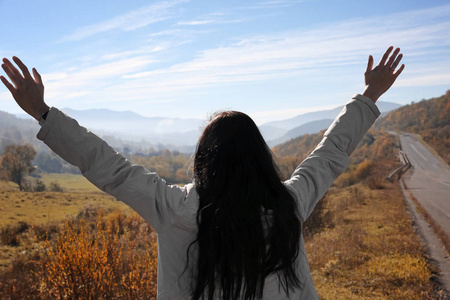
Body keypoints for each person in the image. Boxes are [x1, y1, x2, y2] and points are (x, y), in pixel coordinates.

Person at [1, 46, 404, 299]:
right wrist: (369, 96)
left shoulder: (175, 208)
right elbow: (331, 152)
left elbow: (109, 166)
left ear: (203, 159)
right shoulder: (290, 203)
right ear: (260, 156)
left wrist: (43, 113)